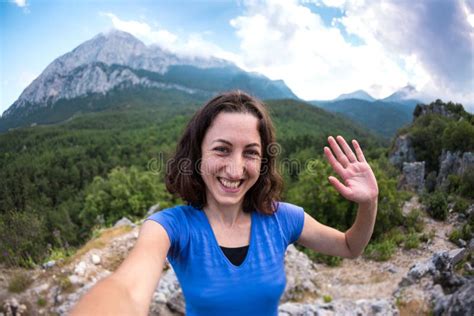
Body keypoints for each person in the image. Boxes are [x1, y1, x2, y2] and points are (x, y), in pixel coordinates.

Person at [71, 91, 379, 315]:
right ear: (197, 154)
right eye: (222, 149)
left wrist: (369, 202)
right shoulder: (170, 227)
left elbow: (350, 247)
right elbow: (127, 288)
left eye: (250, 153)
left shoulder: (282, 219)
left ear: (263, 161)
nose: (235, 169)